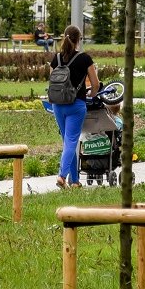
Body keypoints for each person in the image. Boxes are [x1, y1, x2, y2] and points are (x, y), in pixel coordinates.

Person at [48, 25, 100, 189]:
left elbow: (52, 82)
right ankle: (62, 176)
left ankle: (75, 181)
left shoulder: (55, 58)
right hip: (76, 105)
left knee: (67, 143)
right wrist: (91, 95)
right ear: (79, 40)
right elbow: (95, 84)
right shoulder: (85, 58)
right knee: (71, 142)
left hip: (57, 105)